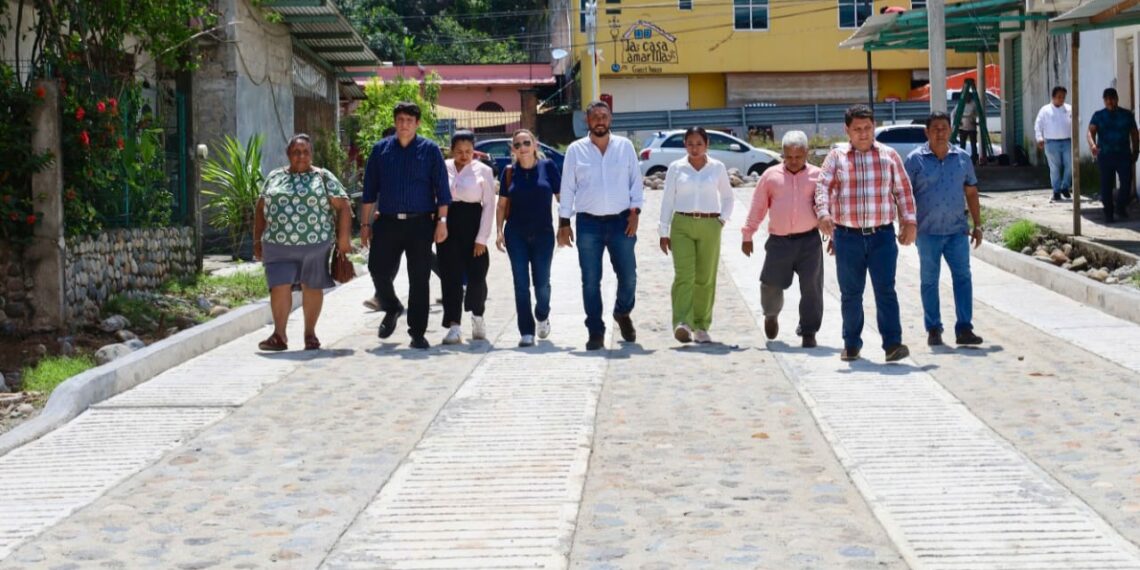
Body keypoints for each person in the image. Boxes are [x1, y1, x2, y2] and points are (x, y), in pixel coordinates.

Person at [816, 104, 918, 363]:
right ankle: (851, 344)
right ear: (847, 130)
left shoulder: (889, 156)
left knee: (885, 289)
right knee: (851, 293)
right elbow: (823, 187)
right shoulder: (836, 157)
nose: (863, 134)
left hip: (882, 235)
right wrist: (823, 213)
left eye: (868, 128)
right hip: (848, 237)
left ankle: (893, 344)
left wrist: (909, 221)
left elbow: (903, 191)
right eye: (857, 129)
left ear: (874, 127)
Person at [360, 102, 450, 349]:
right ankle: (392, 307)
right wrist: (365, 226)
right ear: (395, 122)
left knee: (419, 278)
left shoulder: (430, 150)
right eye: (400, 120)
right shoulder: (381, 151)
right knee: (377, 268)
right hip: (387, 222)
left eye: (409, 121)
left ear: (417, 124)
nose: (404, 125)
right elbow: (369, 191)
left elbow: (442, 190)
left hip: (420, 223)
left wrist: (442, 222)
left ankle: (417, 333)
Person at [253, 133, 352, 351]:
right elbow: (261, 208)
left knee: (312, 286)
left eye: (306, 152)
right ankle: (279, 335)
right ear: (288, 154)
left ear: (312, 154)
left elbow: (343, 206)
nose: (301, 156)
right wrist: (256, 239)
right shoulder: (274, 177)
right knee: (278, 286)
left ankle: (310, 334)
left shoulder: (322, 177)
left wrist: (344, 240)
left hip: (315, 245)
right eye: (296, 152)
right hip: (277, 245)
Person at [558, 100, 644, 351]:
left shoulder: (625, 147)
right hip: (588, 224)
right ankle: (595, 330)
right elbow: (568, 187)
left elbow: (635, 182)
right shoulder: (576, 150)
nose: (600, 121)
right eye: (595, 116)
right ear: (587, 121)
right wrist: (564, 222)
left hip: (621, 221)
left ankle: (622, 312)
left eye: (604, 116)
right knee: (590, 280)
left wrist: (636, 211)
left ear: (611, 120)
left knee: (628, 276)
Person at [904, 111, 985, 348]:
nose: (940, 132)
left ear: (950, 130)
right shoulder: (914, 160)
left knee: (963, 278)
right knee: (929, 281)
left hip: (957, 232)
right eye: (935, 128)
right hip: (927, 233)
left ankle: (964, 328)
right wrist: (906, 223)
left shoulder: (962, 158)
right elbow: (904, 195)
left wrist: (978, 225)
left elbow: (971, 191)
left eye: (944, 128)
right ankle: (933, 328)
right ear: (927, 132)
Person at [742, 130, 823, 349]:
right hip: (779, 241)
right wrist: (748, 234)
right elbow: (758, 206)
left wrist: (833, 235)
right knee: (770, 284)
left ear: (806, 153)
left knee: (811, 288)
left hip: (810, 241)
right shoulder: (770, 176)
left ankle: (808, 331)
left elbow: (828, 207)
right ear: (782, 155)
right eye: (789, 157)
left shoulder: (819, 175)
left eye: (798, 157)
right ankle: (771, 314)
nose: (793, 161)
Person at [659, 126, 734, 344]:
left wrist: (721, 220)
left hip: (710, 224)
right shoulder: (676, 168)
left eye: (699, 143)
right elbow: (667, 200)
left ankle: (701, 325)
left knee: (705, 277)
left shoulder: (717, 168)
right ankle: (682, 322)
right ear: (684, 144)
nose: (694, 148)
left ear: (707, 144)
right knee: (684, 275)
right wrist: (663, 231)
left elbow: (728, 198)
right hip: (681, 224)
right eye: (690, 143)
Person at [496, 129, 561, 347]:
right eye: (517, 145)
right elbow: (502, 204)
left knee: (542, 284)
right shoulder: (508, 172)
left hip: (543, 234)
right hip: (516, 235)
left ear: (535, 145)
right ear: (512, 150)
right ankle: (526, 331)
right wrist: (498, 231)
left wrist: (565, 225)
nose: (522, 148)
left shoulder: (548, 167)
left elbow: (562, 198)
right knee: (521, 284)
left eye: (526, 143)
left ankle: (542, 314)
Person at [438, 130, 495, 344]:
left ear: (474, 151)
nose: (464, 156)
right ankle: (454, 326)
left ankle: (478, 315)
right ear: (452, 150)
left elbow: (489, 205)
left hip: (473, 222)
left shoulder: (484, 171)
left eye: (468, 151)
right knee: (450, 277)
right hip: (447, 223)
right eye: (459, 151)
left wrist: (482, 237)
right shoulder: (443, 167)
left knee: (477, 274)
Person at [1088, 87, 1140, 223]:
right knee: (1106, 185)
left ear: (1117, 99)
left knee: (1126, 184)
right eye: (1107, 99)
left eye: (1112, 98)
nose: (1110, 101)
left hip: (1123, 155)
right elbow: (1090, 132)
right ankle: (1109, 213)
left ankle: (1121, 207)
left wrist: (1136, 150)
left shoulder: (1127, 115)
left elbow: (1134, 133)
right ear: (1104, 101)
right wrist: (1093, 145)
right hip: (1105, 155)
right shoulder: (1098, 115)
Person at [363, 125, 398, 312]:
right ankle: (380, 296)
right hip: (384, 218)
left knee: (393, 259)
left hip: (410, 220)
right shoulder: (380, 159)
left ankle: (380, 296)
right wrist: (367, 223)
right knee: (385, 260)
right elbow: (371, 193)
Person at [1035, 86, 1073, 202]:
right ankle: (1056, 191)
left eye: (1063, 97)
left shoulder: (1069, 109)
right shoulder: (1045, 110)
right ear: (1053, 97)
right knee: (1055, 167)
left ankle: (1065, 186)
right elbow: (1038, 125)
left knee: (1070, 165)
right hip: (1051, 142)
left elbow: (1077, 121)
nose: (1061, 99)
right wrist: (1039, 138)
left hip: (1067, 141)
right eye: (1059, 97)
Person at [954, 78, 980, 164]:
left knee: (973, 144)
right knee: (962, 144)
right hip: (962, 127)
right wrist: (957, 122)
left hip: (972, 126)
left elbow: (979, 113)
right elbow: (953, 114)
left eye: (969, 96)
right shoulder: (960, 103)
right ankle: (962, 158)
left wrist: (976, 121)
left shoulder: (974, 104)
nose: (967, 98)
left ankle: (974, 159)